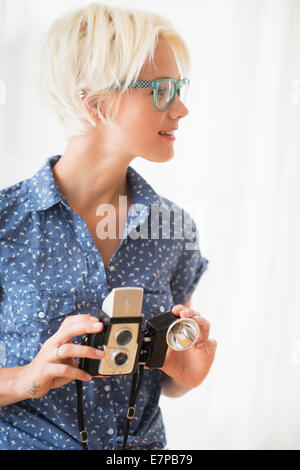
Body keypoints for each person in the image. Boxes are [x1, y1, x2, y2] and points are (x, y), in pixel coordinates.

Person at [0, 3, 217, 450]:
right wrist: (25, 379)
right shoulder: (6, 223)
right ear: (95, 101)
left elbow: (167, 377)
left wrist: (185, 375)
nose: (181, 109)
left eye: (179, 88)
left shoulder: (174, 229)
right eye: (161, 89)